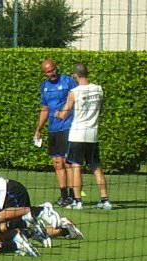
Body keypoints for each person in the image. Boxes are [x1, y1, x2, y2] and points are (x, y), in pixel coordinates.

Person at [55, 64, 112, 210]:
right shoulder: (99, 89)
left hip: (77, 133)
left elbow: (64, 113)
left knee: (76, 166)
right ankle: (105, 200)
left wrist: (56, 114)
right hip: (92, 133)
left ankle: (78, 201)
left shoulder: (74, 92)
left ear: (75, 75)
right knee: (96, 167)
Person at [34, 59, 77, 207]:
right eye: (47, 72)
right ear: (44, 73)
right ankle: (63, 196)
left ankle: (73, 195)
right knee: (57, 163)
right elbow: (45, 109)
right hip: (53, 129)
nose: (51, 73)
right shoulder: (44, 86)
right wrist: (38, 129)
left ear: (56, 68)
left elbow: (77, 100)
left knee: (68, 162)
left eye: (52, 70)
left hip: (68, 126)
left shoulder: (68, 81)